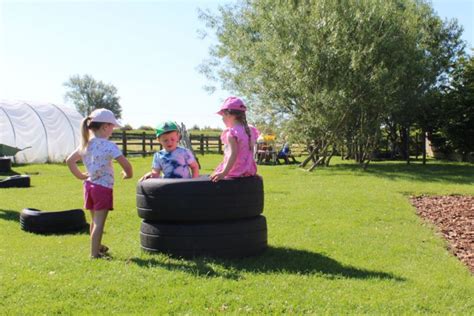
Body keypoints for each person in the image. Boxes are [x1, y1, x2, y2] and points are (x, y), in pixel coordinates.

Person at [66, 108, 133, 259]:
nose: (112, 130)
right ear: (104, 127)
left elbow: (70, 161)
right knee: (99, 223)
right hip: (102, 188)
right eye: (112, 127)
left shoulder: (86, 144)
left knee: (93, 221)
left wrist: (79, 176)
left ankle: (98, 247)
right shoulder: (109, 146)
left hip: (88, 186)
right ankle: (94, 254)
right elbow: (126, 165)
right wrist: (128, 175)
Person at [210, 97, 260, 182]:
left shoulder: (232, 133)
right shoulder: (251, 130)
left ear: (229, 115)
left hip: (235, 172)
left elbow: (233, 154)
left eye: (223, 115)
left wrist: (223, 173)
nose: (222, 119)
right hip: (249, 171)